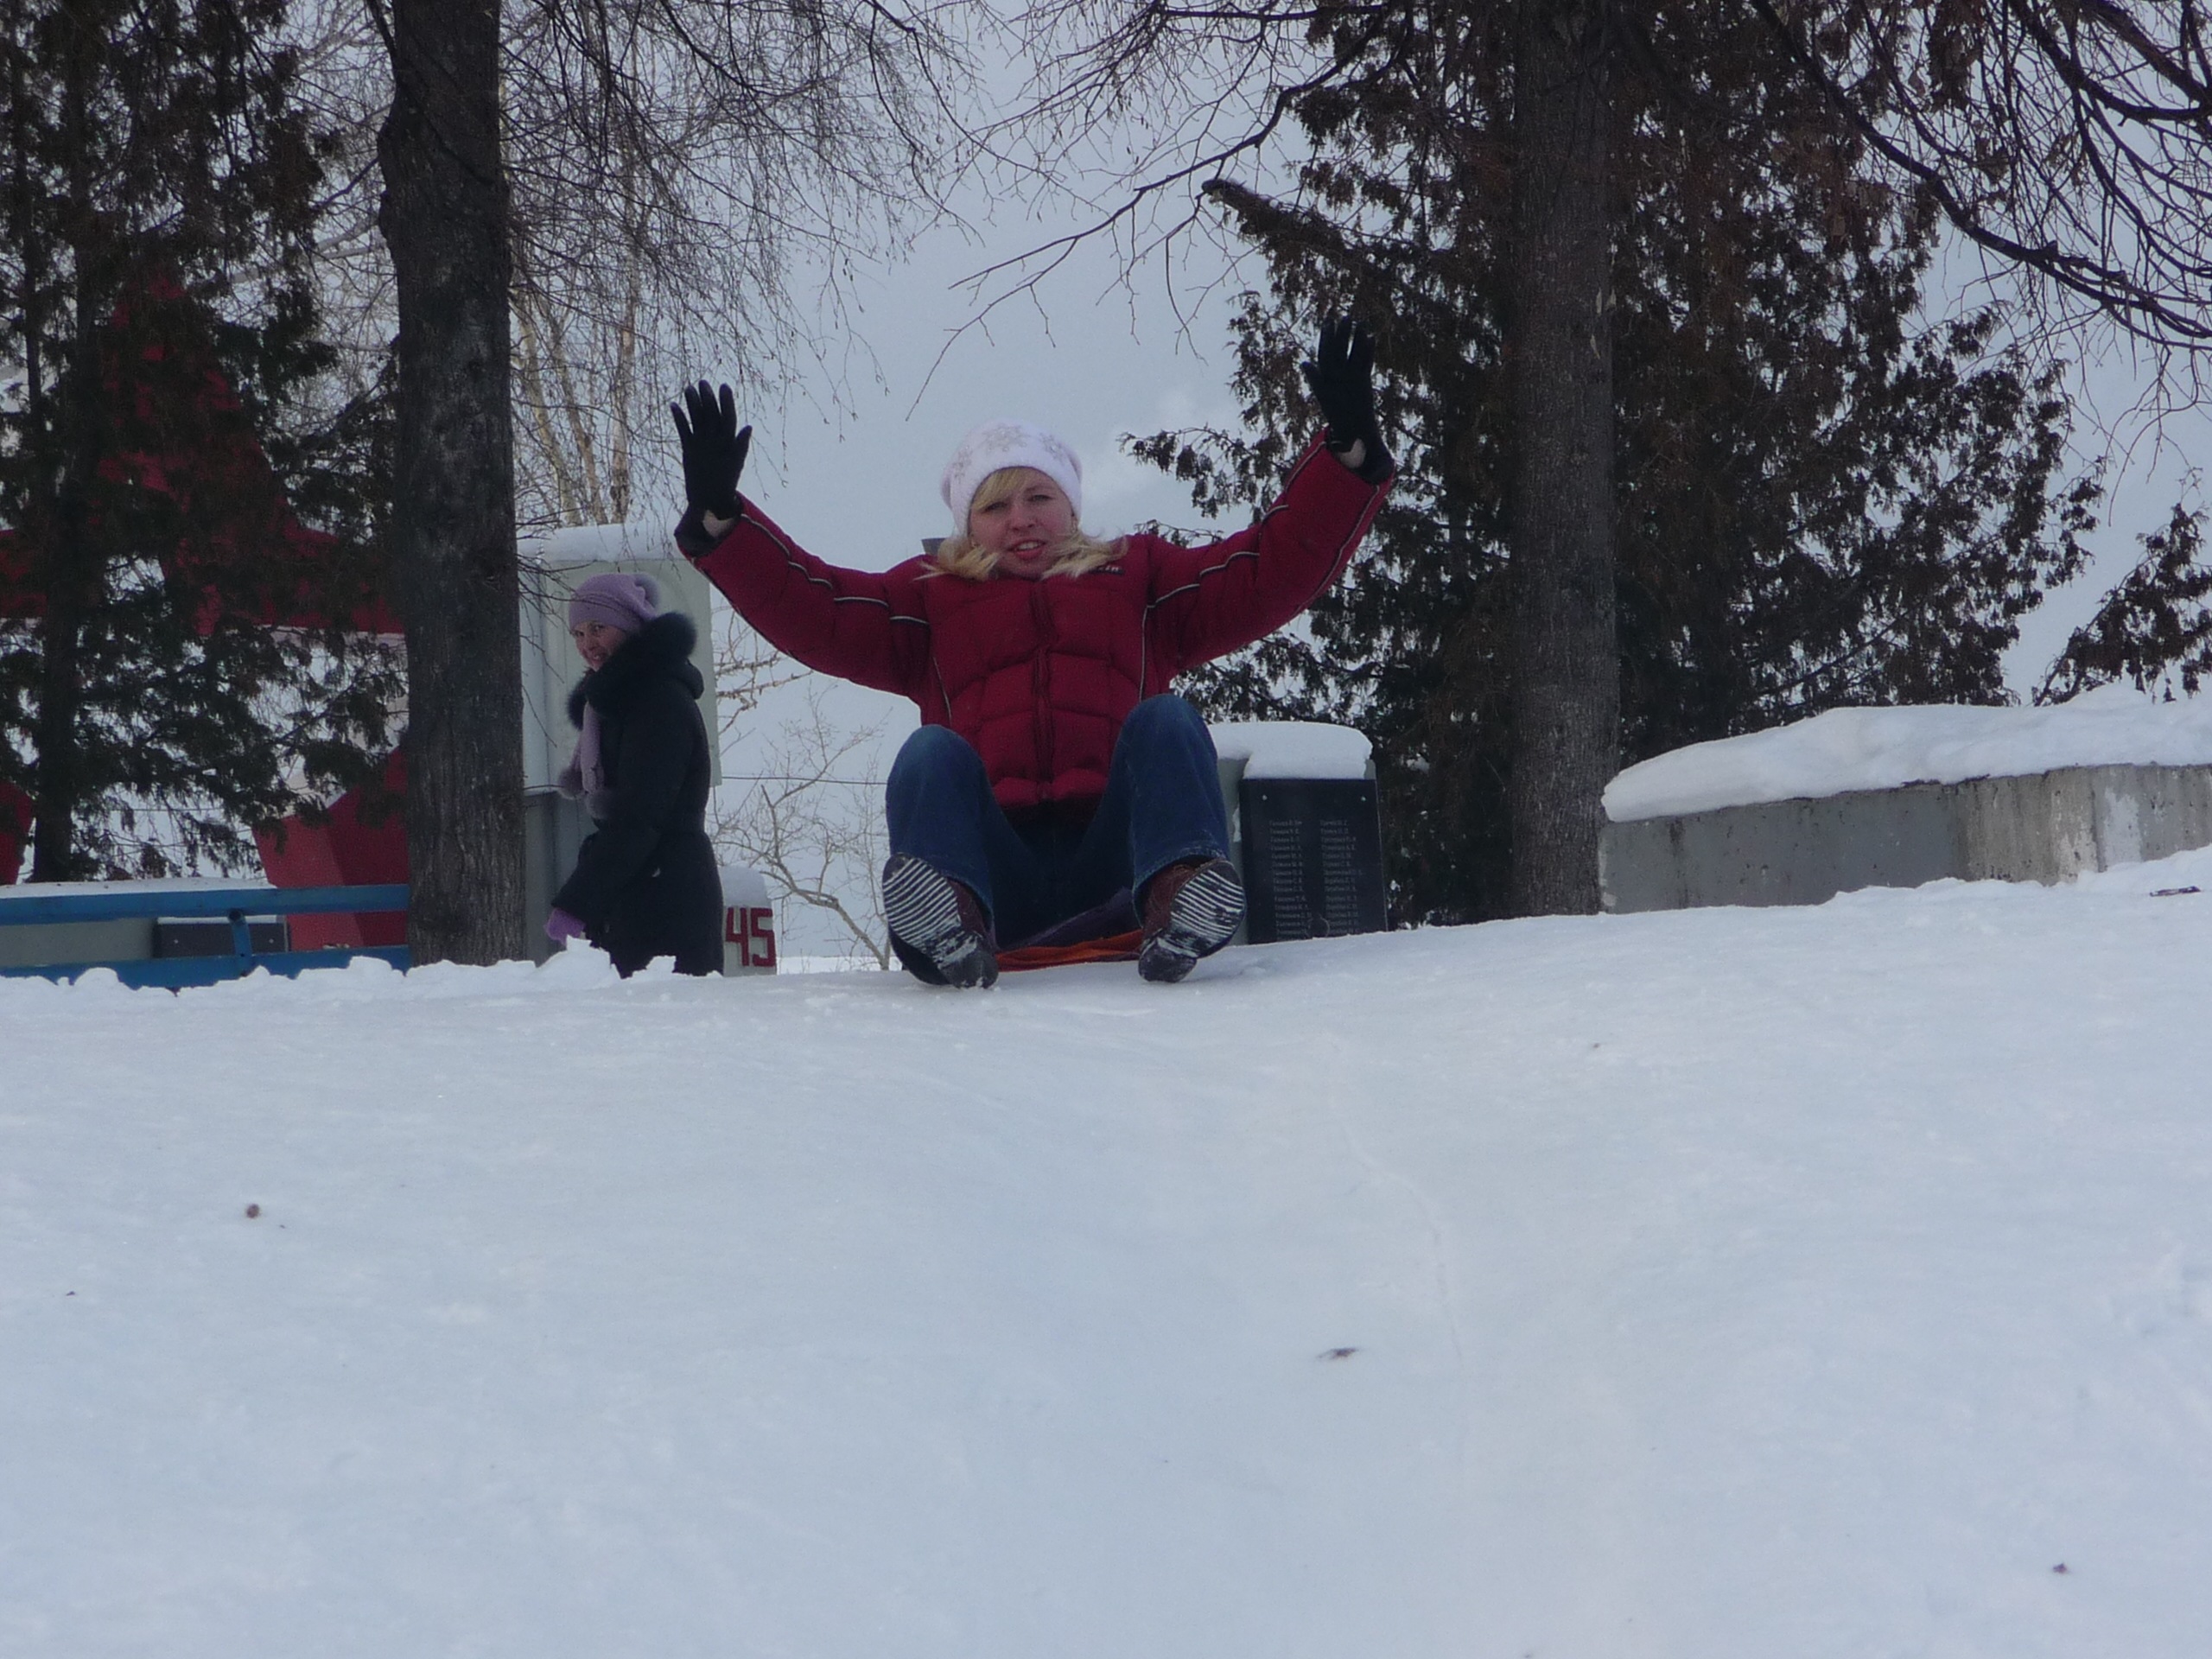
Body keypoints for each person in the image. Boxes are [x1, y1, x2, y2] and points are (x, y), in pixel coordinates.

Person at [671, 317, 1393, 987]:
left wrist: (1347, 459)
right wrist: (724, 524)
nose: (1020, 520)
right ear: (968, 525)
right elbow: (817, 608)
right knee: (930, 752)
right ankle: (945, 919)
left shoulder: (1140, 579)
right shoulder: (929, 599)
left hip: (1119, 870)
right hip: (996, 879)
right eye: (995, 506)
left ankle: (1182, 896)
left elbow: (1263, 571)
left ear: (1070, 506)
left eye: (1038, 498)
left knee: (1167, 721)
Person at [543, 571, 723, 976]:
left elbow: (640, 816)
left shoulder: (658, 702)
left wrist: (576, 903)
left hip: (667, 898)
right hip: (644, 893)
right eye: (578, 633)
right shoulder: (620, 704)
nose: (587, 644)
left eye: (598, 628)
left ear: (629, 626)